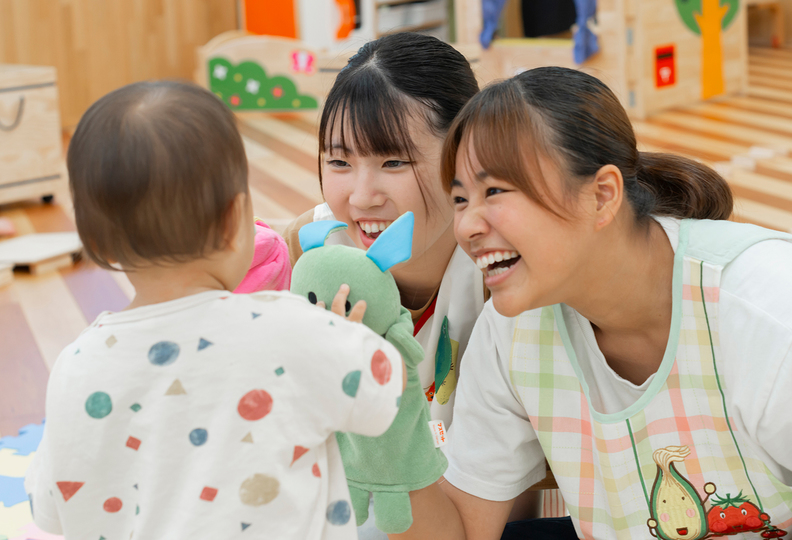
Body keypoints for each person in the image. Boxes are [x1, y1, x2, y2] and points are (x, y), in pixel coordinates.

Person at [405, 66, 792, 540]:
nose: (466, 227)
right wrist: (383, 428)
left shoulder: (765, 307)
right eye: (460, 199)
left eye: (495, 192)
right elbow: (463, 532)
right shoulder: (512, 330)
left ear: (603, 196)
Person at [24, 80, 406, 540]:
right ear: (235, 219)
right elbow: (384, 395)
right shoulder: (293, 331)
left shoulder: (75, 367)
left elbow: (50, 509)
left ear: (98, 243)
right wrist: (346, 335)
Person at [279, 32, 544, 537]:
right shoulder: (307, 253)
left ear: (467, 155)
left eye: (393, 162)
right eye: (338, 161)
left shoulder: (504, 276)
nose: (361, 196)